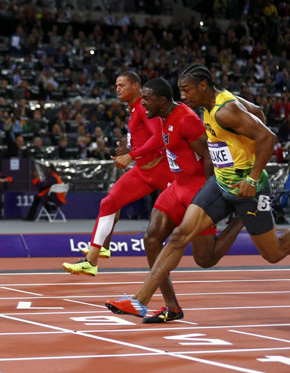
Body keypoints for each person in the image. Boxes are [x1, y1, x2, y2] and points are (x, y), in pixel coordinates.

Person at [105, 63, 290, 319]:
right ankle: (140, 301)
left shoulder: (226, 111)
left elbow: (268, 137)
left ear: (203, 86)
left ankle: (244, 217)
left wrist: (252, 176)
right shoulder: (216, 104)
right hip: (219, 182)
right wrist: (242, 137)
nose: (182, 96)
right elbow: (258, 111)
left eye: (186, 90)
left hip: (247, 187)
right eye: (180, 90)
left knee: (274, 253)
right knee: (180, 236)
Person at [110, 77, 244, 323]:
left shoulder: (187, 120)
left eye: (147, 99)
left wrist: (209, 193)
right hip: (177, 187)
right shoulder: (160, 117)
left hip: (196, 190)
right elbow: (161, 142)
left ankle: (243, 218)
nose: (143, 103)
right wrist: (132, 153)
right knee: (151, 239)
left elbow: (209, 156)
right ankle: (171, 306)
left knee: (205, 259)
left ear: (162, 100)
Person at [62, 71, 174, 276]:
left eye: (122, 85)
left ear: (136, 86)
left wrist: (131, 155)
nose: (117, 89)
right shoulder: (134, 108)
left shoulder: (143, 106)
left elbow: (159, 138)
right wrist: (130, 148)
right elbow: (143, 136)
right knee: (108, 203)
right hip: (143, 171)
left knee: (192, 216)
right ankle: (92, 260)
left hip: (162, 170)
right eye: (116, 86)